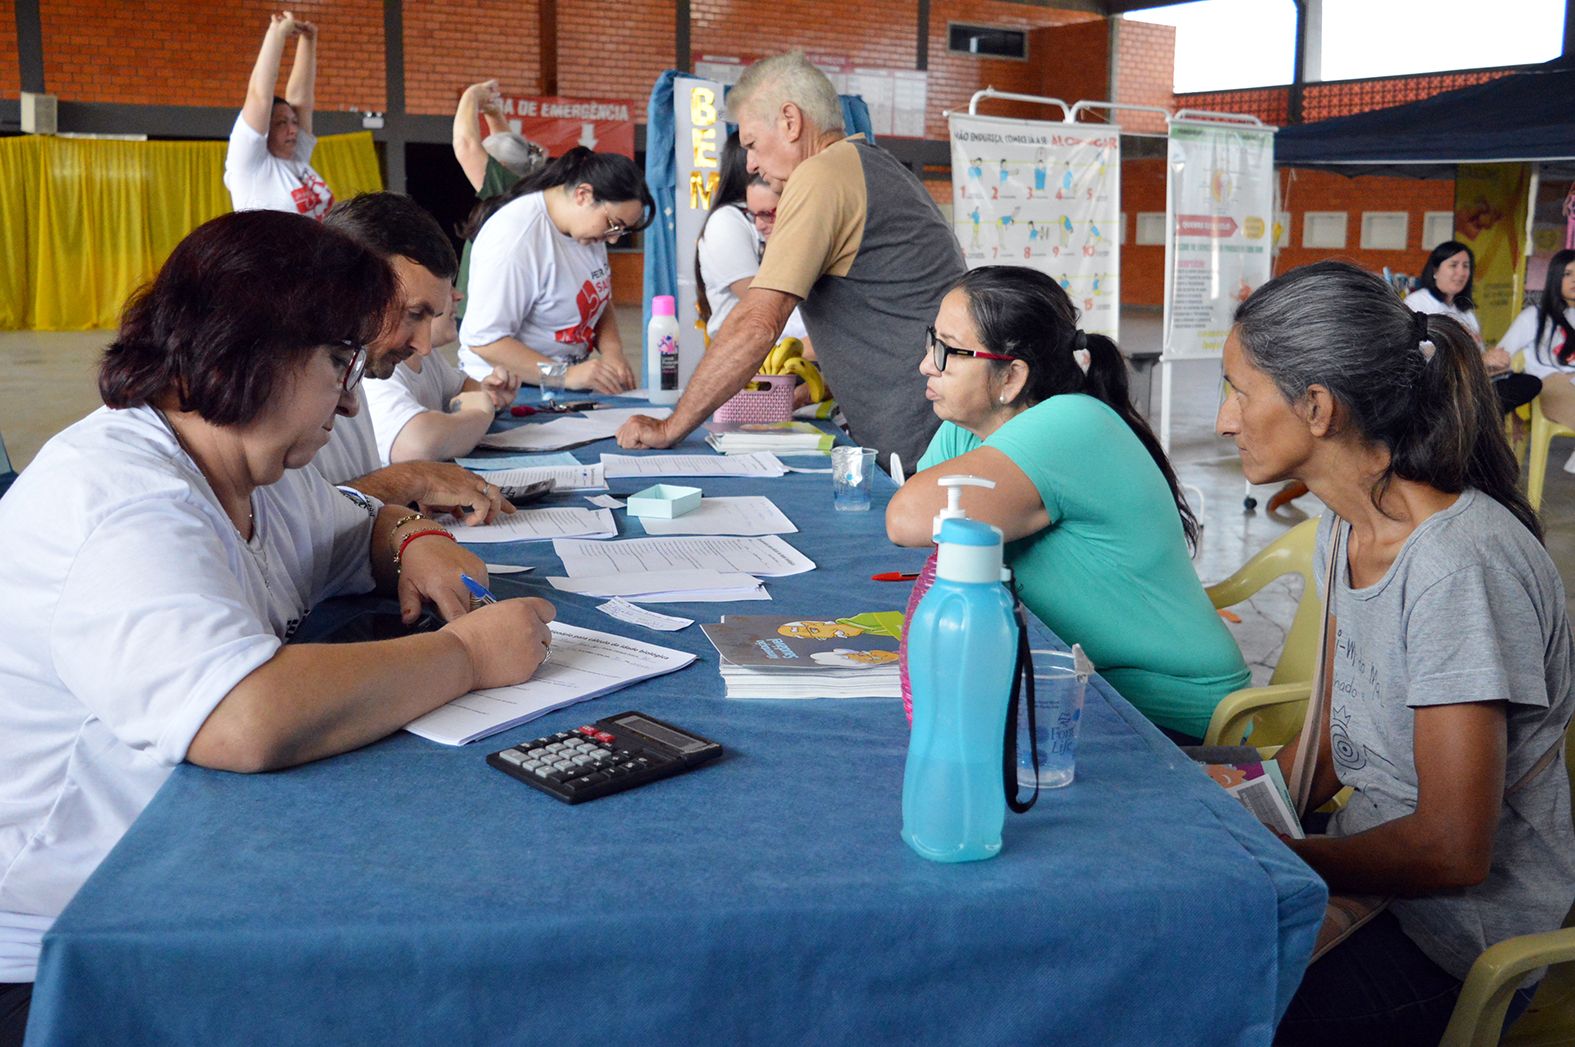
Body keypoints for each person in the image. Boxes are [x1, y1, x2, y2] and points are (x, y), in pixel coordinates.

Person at [0, 211, 556, 1041]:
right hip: (63, 954)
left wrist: (415, 537)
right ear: (251, 345)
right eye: (337, 360)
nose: (350, 393)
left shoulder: (246, 470)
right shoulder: (125, 502)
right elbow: (243, 716)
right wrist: (466, 656)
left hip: (173, 874)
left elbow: (355, 527)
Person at [1215, 261, 1575, 1044]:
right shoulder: (1349, 527)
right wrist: (1233, 811)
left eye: (1239, 391)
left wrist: (1280, 855)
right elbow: (1335, 747)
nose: (1223, 419)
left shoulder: (1456, 567)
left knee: (1204, 1011)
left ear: (1316, 407)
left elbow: (1451, 849)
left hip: (1454, 942)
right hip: (1379, 884)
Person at [885, 267, 1250, 743]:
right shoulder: (972, 425)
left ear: (1012, 376)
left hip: (1176, 719)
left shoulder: (1071, 424)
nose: (926, 366)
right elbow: (918, 519)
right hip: (1089, 693)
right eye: (932, 341)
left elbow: (905, 518)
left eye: (948, 351)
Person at [617, 51, 966, 476]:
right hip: (936, 425)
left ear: (790, 121)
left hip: (923, 440)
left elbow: (758, 323)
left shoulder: (821, 174)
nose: (750, 164)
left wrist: (671, 426)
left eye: (751, 144)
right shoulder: (872, 164)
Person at [316, 194, 514, 524]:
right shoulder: (281, 387)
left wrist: (403, 500)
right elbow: (292, 524)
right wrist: (411, 481)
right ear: (348, 290)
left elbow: (339, 512)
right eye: (413, 314)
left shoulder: (358, 365)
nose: (424, 346)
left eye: (431, 316)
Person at [458, 147, 653, 395]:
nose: (613, 239)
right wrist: (566, 375)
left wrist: (613, 351)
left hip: (562, 383)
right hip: (506, 388)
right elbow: (484, 341)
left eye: (621, 231)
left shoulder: (587, 231)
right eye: (614, 225)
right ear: (583, 195)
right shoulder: (515, 239)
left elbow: (597, 296)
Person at [450, 78, 546, 325]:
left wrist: (471, 94)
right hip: (513, 306)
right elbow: (509, 146)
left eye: (487, 158)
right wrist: (493, 112)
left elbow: (465, 144)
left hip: (485, 309)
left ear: (498, 166)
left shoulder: (501, 184)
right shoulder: (526, 181)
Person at [1406, 241, 1540, 414]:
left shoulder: (1464, 310)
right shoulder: (1418, 302)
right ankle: (1471, 422)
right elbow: (1421, 353)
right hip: (1440, 385)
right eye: (1453, 265)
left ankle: (1476, 420)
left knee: (1528, 383)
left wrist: (1495, 363)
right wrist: (1479, 361)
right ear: (1435, 270)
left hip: (1472, 380)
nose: (1461, 272)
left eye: (1466, 266)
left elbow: (1479, 351)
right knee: (1489, 404)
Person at [225, 11, 333, 219]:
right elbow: (259, 95)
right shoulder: (249, 163)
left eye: (293, 122)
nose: (293, 129)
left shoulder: (296, 158)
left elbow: (301, 99)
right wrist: (277, 34)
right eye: (281, 123)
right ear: (266, 129)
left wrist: (308, 41)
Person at [1496, 247, 1575, 427]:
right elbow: (1501, 357)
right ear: (1555, 278)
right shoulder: (1534, 316)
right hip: (1551, 385)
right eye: (1567, 274)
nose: (1574, 279)